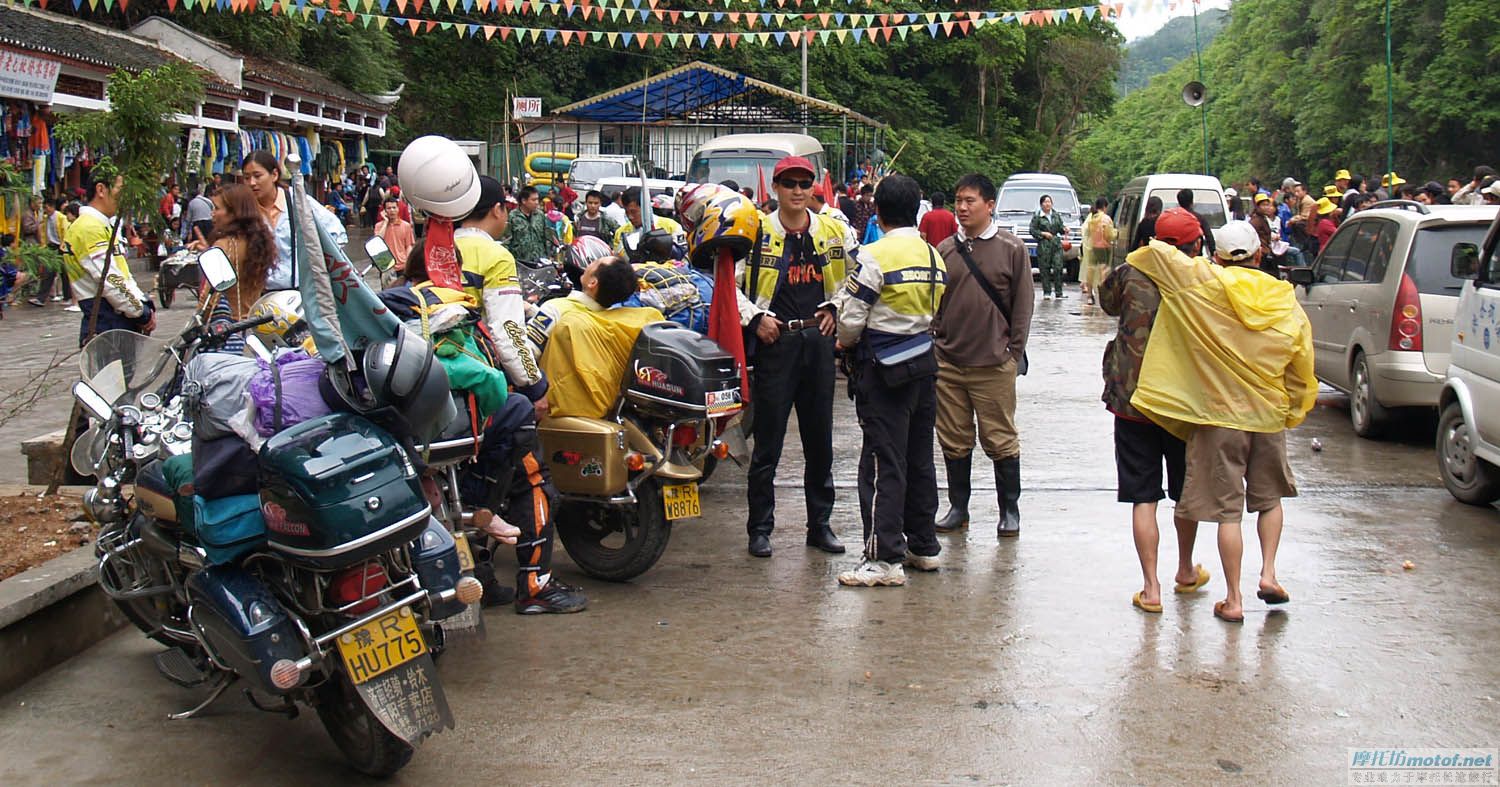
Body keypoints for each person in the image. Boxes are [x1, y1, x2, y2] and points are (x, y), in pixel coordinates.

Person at [1127, 218, 1316, 623]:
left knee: (1228, 512)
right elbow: (1302, 366)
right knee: (1269, 501)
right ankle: (1268, 573)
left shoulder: (1203, 285)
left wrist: (1183, 249)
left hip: (1218, 418)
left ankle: (1234, 599)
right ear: (1260, 255)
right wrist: (1294, 409)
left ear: (1216, 255)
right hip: (1268, 415)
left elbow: (1149, 253)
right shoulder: (1284, 299)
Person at [389, 246, 586, 615]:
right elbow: (507, 343)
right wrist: (535, 387)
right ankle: (534, 585)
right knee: (529, 469)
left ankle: (483, 574)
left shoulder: (385, 313)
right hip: (459, 434)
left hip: (402, 439)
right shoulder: (467, 296)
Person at [821, 174, 945, 587]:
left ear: (878, 210)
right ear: (916, 210)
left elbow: (852, 319)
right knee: (919, 458)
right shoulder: (933, 257)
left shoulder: (873, 256)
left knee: (881, 462)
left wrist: (843, 342)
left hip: (883, 369)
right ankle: (923, 546)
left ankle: (883, 558)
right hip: (924, 367)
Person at [1099, 207, 1208, 614]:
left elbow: (1106, 302)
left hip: (1133, 401)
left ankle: (1151, 588)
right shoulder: (1202, 278)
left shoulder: (1130, 272)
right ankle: (1184, 570)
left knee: (1143, 495)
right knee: (1183, 492)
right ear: (1194, 243)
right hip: (1182, 403)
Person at [738, 156, 848, 558]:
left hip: (817, 344)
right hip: (776, 344)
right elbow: (726, 284)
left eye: (805, 184)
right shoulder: (755, 233)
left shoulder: (833, 231)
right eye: (790, 184)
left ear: (814, 188)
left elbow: (857, 277)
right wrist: (755, 319)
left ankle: (820, 525)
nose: (798, 191)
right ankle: (760, 528)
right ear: (776, 189)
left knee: (820, 441)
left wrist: (836, 307)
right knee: (769, 443)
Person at [932, 173, 1033, 539]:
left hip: (993, 364)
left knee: (1000, 438)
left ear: (990, 205)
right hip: (949, 363)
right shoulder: (944, 250)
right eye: (959, 200)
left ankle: (1010, 511)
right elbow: (935, 303)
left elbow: (1023, 305)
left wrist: (1013, 352)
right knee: (954, 438)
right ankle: (958, 508)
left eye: (970, 200)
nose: (962, 207)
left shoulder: (1011, 249)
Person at [455, 175, 549, 407]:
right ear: (497, 210)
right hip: (478, 369)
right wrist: (534, 384)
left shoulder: (438, 245)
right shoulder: (496, 256)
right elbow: (508, 331)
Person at [64, 172, 155, 346]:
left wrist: (144, 305)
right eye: (120, 189)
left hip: (115, 318)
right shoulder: (89, 228)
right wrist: (141, 313)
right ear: (101, 189)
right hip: (107, 323)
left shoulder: (101, 225)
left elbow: (122, 274)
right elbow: (111, 281)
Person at [241, 150, 348, 292]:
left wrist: (320, 268)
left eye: (257, 176)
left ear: (274, 175)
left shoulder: (297, 201)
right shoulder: (244, 210)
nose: (252, 183)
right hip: (261, 296)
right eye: (246, 178)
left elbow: (337, 233)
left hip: (300, 294)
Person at [200, 184, 276, 354]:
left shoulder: (224, 246)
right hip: (253, 327)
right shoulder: (259, 243)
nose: (212, 214)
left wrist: (199, 319)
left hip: (228, 329)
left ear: (234, 212)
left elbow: (209, 297)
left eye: (217, 208)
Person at [611, 187, 685, 256]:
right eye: (626, 212)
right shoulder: (621, 233)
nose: (630, 217)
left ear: (646, 208)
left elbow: (683, 257)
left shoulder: (671, 227)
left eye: (633, 212)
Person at [1030, 194, 1068, 300]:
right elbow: (1032, 230)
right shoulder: (1037, 217)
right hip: (1043, 245)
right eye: (1045, 202)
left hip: (1056, 244)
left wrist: (1064, 229)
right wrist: (1043, 234)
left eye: (1049, 202)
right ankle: (1047, 292)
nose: (1047, 204)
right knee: (1044, 269)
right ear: (1041, 204)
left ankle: (1059, 292)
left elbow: (1060, 227)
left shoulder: (1056, 215)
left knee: (1058, 267)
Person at [501, 186, 552, 263]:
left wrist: (549, 256)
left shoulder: (540, 215)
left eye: (537, 199)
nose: (537, 202)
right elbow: (506, 240)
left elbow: (547, 238)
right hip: (520, 262)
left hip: (539, 261)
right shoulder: (513, 217)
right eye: (533, 200)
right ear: (524, 200)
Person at [1080, 196, 1115, 305]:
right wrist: (1116, 233)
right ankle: (1103, 296)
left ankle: (1090, 296)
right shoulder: (1106, 219)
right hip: (1104, 248)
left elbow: (1087, 234)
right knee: (1103, 271)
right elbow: (1109, 235)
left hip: (1092, 248)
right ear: (1105, 206)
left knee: (1091, 271)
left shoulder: (1092, 218)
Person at [375, 197, 416, 283]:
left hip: (402, 265)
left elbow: (408, 245)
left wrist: (408, 263)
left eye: (394, 207)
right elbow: (378, 241)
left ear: (398, 209)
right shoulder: (379, 226)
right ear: (384, 211)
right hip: (386, 266)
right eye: (389, 208)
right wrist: (385, 222)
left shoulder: (406, 226)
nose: (392, 210)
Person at [1177, 188, 1217, 257]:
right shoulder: (1200, 218)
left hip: (1178, 257)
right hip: (1196, 257)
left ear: (1179, 202)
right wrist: (1213, 253)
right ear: (1192, 201)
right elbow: (1209, 237)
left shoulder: (1174, 218)